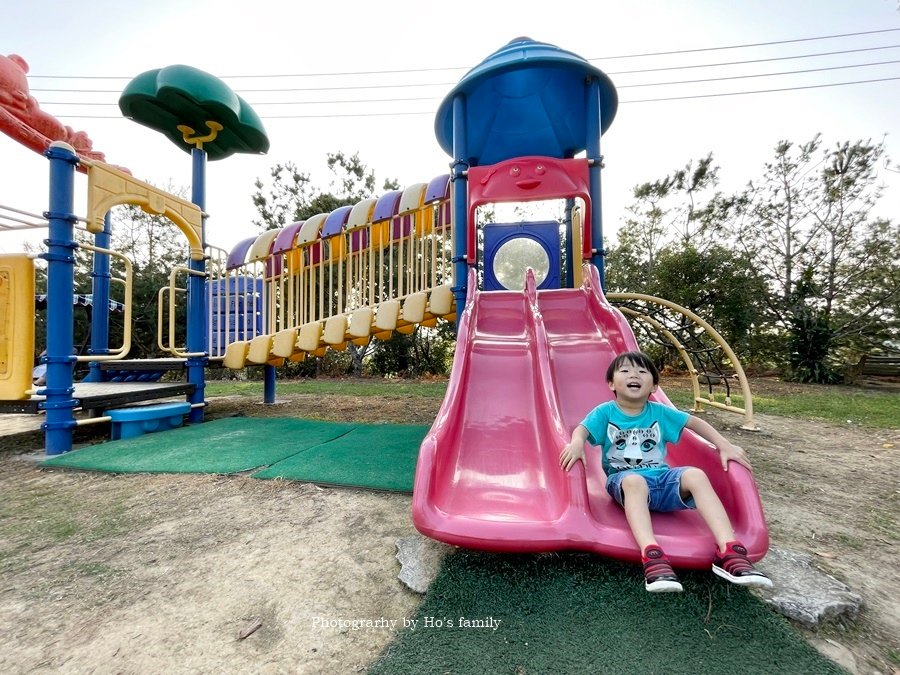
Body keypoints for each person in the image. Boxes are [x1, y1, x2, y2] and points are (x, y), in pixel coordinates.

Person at [559, 350, 772, 593]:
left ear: (654, 385)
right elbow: (583, 430)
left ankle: (730, 550)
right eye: (625, 370)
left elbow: (695, 422)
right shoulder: (605, 412)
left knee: (695, 475)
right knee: (634, 481)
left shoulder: (659, 412)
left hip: (662, 479)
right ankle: (652, 555)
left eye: (642, 371)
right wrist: (576, 443)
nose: (634, 375)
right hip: (624, 482)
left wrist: (724, 444)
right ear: (611, 383)